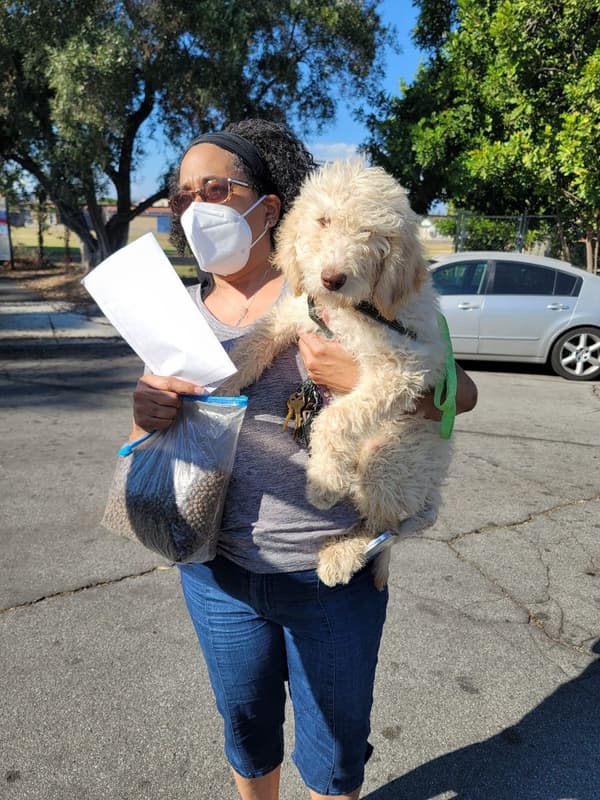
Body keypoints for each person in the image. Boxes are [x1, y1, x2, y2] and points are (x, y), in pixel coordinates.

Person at [131, 119, 478, 800]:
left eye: (215, 190)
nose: (195, 209)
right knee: (246, 726)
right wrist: (147, 409)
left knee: (335, 744)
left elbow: (457, 396)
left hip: (328, 580)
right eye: (181, 197)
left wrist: (362, 385)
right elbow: (161, 413)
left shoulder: (355, 295)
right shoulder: (176, 310)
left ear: (268, 210)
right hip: (214, 568)